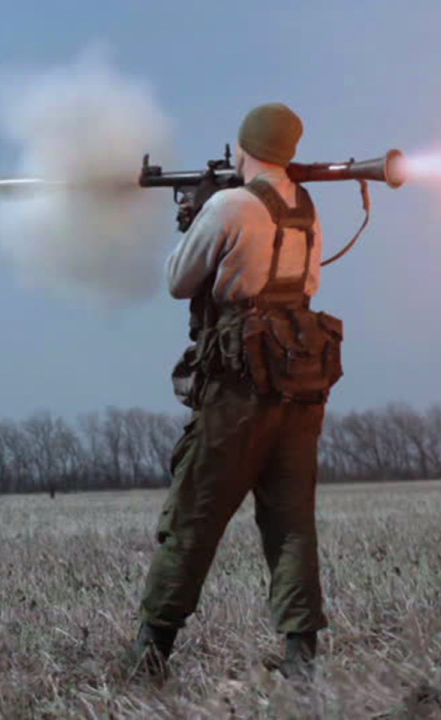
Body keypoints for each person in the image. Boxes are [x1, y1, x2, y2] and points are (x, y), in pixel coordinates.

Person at [129, 102, 344, 682]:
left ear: (246, 145)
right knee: (292, 519)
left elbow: (179, 282)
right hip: (300, 382)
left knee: (195, 513)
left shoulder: (229, 204)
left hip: (237, 385)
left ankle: (151, 655)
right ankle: (302, 657)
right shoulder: (307, 205)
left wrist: (195, 214)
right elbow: (309, 281)